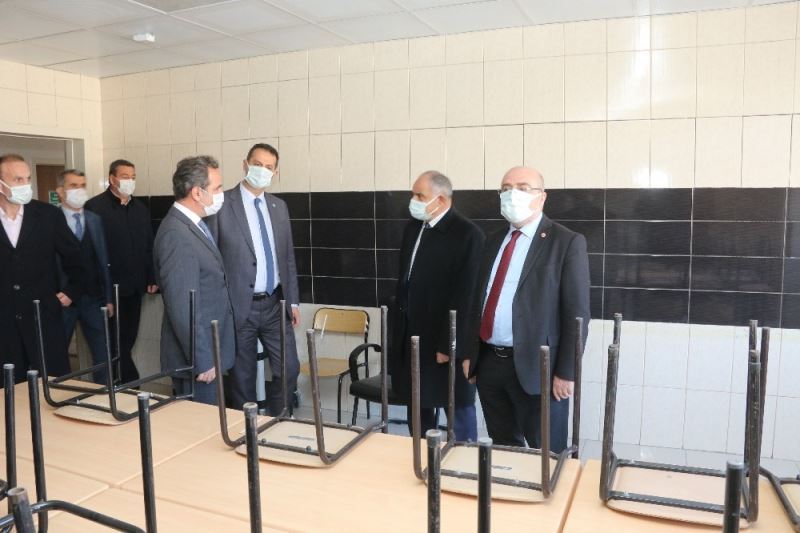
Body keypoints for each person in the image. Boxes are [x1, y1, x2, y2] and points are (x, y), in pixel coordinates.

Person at [464, 166, 590, 453]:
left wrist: (567, 372)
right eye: (506, 188)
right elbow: (477, 301)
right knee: (504, 448)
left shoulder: (566, 242)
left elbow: (577, 313)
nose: (513, 195)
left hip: (539, 368)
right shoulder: (492, 240)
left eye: (522, 188)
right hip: (490, 363)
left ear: (541, 197)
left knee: (548, 453)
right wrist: (471, 354)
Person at [391, 171, 485, 441]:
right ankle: (421, 454)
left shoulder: (468, 235)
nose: (413, 201)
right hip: (413, 335)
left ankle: (465, 455)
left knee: (456, 404)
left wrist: (450, 344)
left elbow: (468, 296)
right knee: (418, 402)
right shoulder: (414, 228)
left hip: (445, 339)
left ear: (441, 200)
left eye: (419, 196)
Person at [207, 143, 300, 413]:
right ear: (245, 164)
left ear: (276, 172)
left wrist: (293, 301)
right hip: (239, 307)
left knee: (289, 368)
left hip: (275, 304)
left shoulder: (279, 207)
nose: (262, 170)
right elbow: (211, 260)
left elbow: (288, 258)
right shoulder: (222, 205)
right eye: (257, 164)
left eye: (269, 167)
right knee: (242, 377)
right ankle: (246, 429)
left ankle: (277, 420)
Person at [153, 156, 235, 405]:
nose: (221, 194)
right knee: (202, 424)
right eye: (217, 188)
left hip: (208, 349)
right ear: (197, 193)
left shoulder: (194, 225)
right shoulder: (176, 234)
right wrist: (203, 359)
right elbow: (183, 305)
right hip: (196, 361)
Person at [0, 154, 83, 383]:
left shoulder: (48, 215)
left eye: (27, 179)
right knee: (8, 391)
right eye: (18, 179)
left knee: (52, 386)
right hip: (4, 324)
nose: (25, 185)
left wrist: (71, 292)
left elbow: (76, 258)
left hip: (42, 318)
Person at [85, 159, 157, 383]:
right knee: (112, 341)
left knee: (128, 338)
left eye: (133, 177)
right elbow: (90, 252)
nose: (130, 181)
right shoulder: (95, 208)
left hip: (135, 288)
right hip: (109, 291)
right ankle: (123, 382)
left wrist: (152, 276)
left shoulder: (140, 209)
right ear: (112, 179)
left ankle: (122, 382)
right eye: (125, 177)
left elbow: (148, 245)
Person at [55, 169, 114, 383]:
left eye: (82, 185)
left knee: (103, 353)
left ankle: (103, 393)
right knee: (57, 351)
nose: (79, 190)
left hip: (93, 298)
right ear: (60, 191)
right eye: (73, 186)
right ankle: (57, 393)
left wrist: (108, 298)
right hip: (63, 300)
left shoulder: (94, 220)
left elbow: (103, 260)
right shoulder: (51, 220)